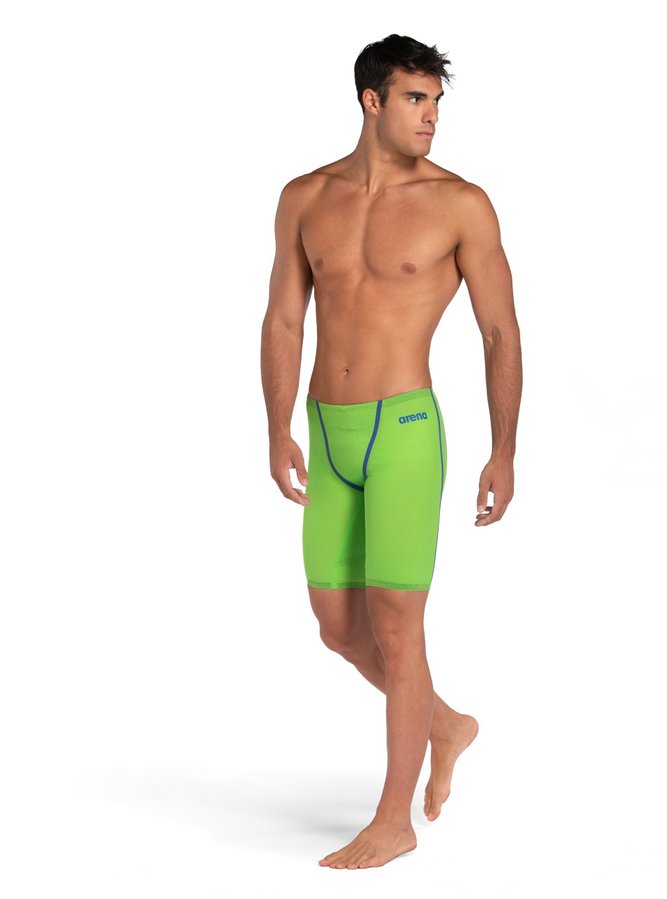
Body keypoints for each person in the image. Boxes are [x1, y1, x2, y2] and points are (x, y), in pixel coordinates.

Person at [260, 33, 522, 869]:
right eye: (415, 99)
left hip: (404, 430)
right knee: (337, 626)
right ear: (371, 101)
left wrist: (504, 449)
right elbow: (284, 319)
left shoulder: (460, 204)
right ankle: (444, 724)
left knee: (398, 628)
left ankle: (393, 817)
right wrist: (277, 426)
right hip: (327, 429)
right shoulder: (306, 197)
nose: (431, 116)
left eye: (436, 101)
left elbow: (499, 331)